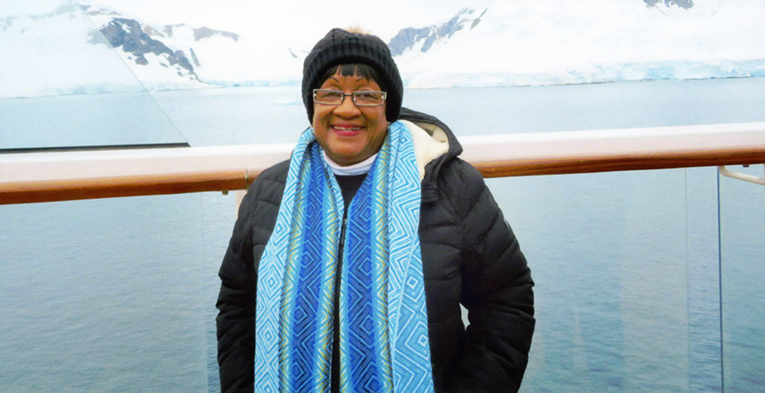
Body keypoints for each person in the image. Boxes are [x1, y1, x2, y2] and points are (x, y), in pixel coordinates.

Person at [216, 28, 535, 393]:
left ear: (388, 106)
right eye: (331, 92)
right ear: (312, 103)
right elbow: (238, 305)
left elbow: (506, 300)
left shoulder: (449, 187)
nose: (347, 108)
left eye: (366, 94)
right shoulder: (271, 192)